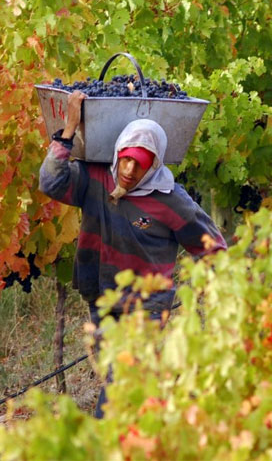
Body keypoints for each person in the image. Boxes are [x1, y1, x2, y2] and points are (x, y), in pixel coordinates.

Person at [38, 90, 226, 417]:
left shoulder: (171, 201)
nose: (127, 170)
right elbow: (51, 183)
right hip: (100, 295)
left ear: (153, 165)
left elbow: (211, 245)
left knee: (120, 386)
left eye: (138, 164)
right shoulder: (96, 179)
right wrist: (69, 130)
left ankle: (101, 444)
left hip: (145, 308)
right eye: (124, 158)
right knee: (121, 379)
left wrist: (224, 290)